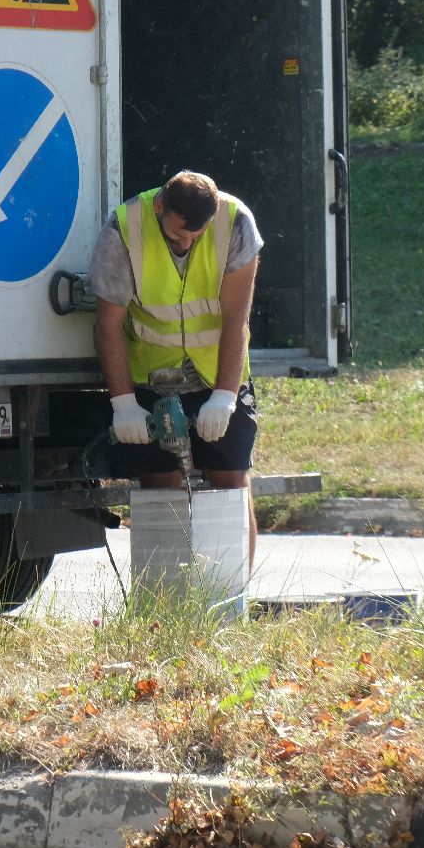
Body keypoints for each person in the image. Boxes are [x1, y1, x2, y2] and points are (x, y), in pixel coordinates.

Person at [88, 171, 262, 561]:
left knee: (231, 481)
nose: (185, 245)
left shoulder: (235, 223)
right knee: (160, 485)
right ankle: (165, 600)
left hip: (215, 372)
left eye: (194, 239)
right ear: (161, 206)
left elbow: (237, 318)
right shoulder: (124, 228)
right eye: (176, 236)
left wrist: (225, 396)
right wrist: (123, 403)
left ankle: (231, 599)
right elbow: (109, 323)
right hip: (152, 375)